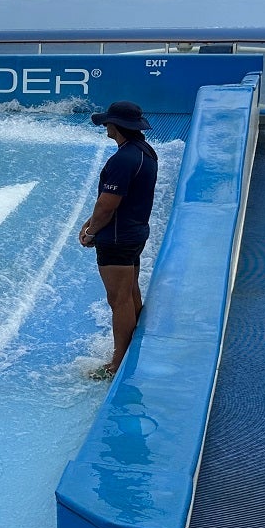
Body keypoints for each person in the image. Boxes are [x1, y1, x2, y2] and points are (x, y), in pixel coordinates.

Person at [78, 101, 158, 376]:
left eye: (108, 122)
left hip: (116, 238)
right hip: (134, 233)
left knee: (119, 299)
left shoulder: (123, 160)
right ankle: (134, 345)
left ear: (118, 126)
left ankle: (117, 364)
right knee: (131, 291)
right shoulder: (145, 152)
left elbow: (108, 205)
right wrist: (92, 221)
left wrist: (91, 231)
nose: (105, 126)